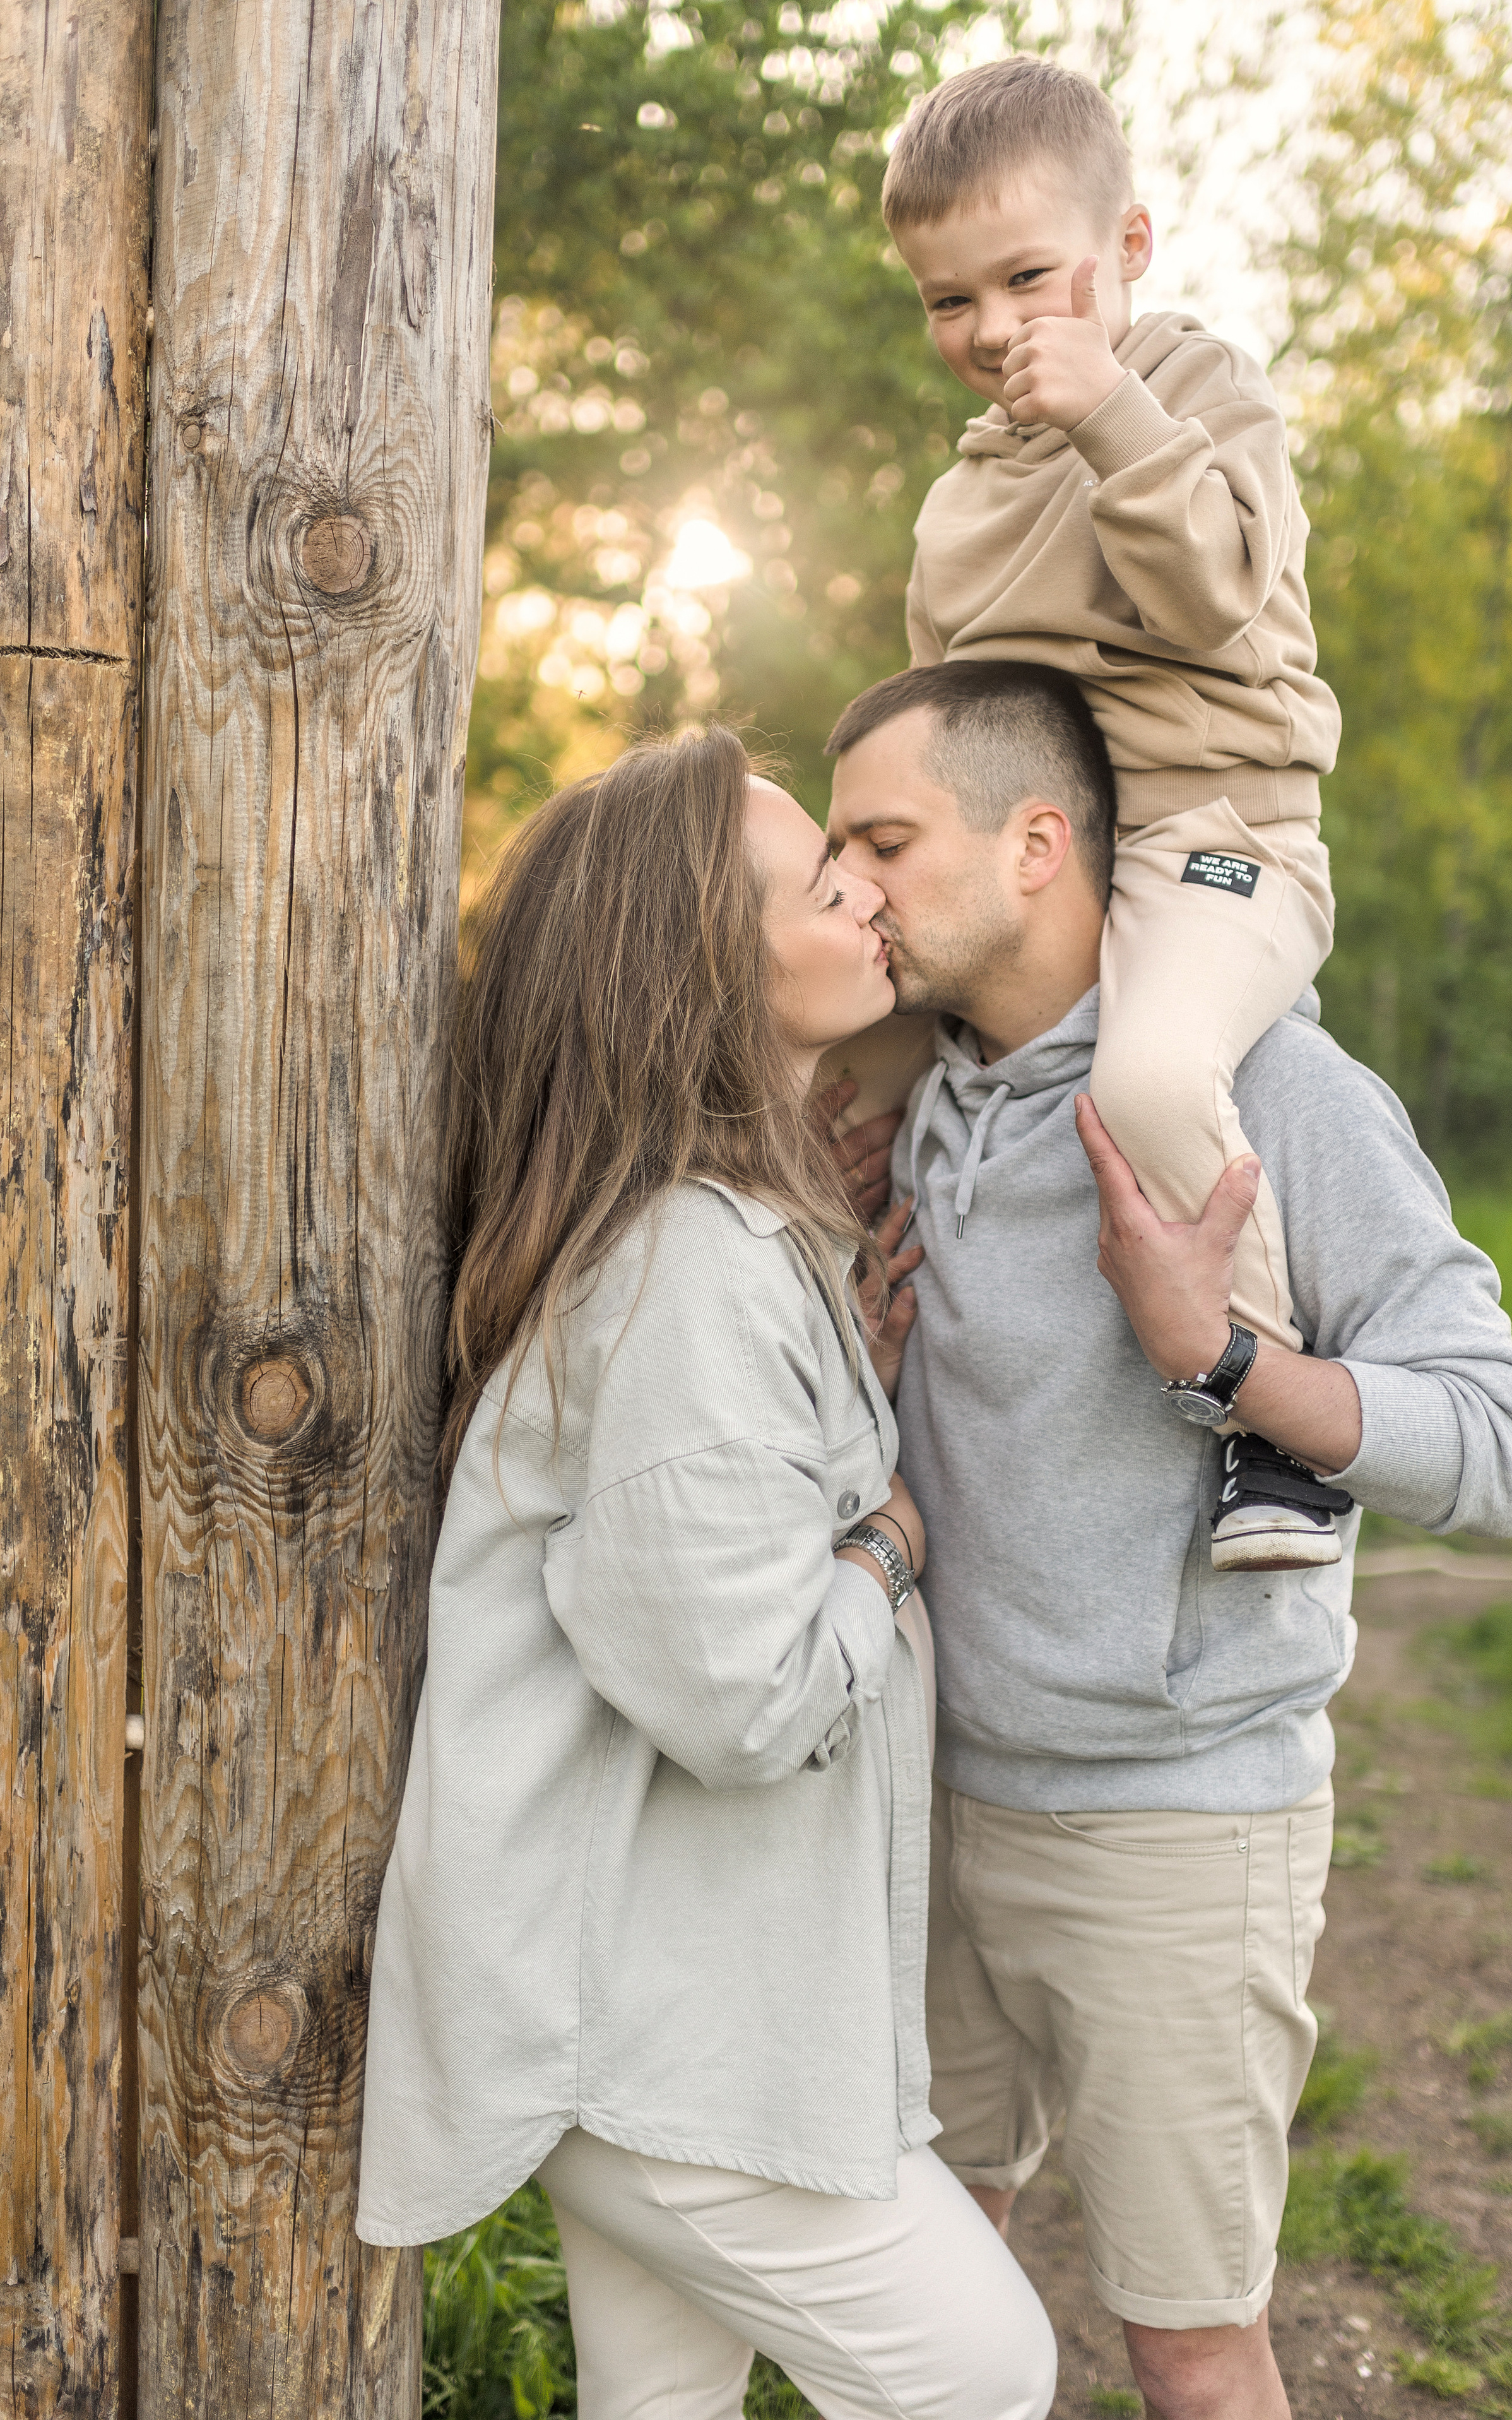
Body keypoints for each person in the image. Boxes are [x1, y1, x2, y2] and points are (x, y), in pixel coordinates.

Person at [824, 659, 1512, 2420]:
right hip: (928, 1800)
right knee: (939, 2297)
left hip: (1172, 1819)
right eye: (836, 847)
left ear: (1040, 845)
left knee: (1190, 2347)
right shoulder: (919, 1104)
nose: (851, 886)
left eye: (888, 839)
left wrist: (1221, 1355)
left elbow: (1506, 1444)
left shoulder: (1268, 1093)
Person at [355, 728, 1058, 2420]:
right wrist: (892, 1535)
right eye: (831, 878)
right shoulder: (688, 1271)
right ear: (708, 962)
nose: (874, 896)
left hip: (692, 2005)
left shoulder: (723, 1234)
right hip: (636, 2035)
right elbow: (743, 1698)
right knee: (981, 2372)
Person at [884, 56, 1344, 1570]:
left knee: (1148, 1074)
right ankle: (857, 1396)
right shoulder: (958, 502)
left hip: (1217, 836)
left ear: (1127, 249)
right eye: (950, 300)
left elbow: (1213, 600)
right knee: (842, 1047)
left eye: (1027, 278)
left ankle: (1269, 1431)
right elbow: (942, 721)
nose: (994, 330)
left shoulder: (1200, 392)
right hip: (1049, 855)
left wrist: (1114, 417)